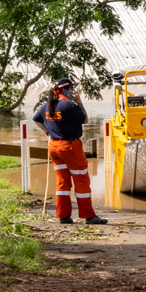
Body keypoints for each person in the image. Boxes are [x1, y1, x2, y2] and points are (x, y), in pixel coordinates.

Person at [33, 78, 107, 225]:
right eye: (72, 89)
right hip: (69, 147)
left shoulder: (47, 105)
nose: (74, 91)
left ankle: (63, 216)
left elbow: (36, 119)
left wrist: (48, 133)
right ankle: (89, 216)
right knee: (81, 181)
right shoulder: (69, 105)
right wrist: (79, 101)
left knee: (62, 182)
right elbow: (84, 120)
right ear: (67, 90)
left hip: (54, 147)